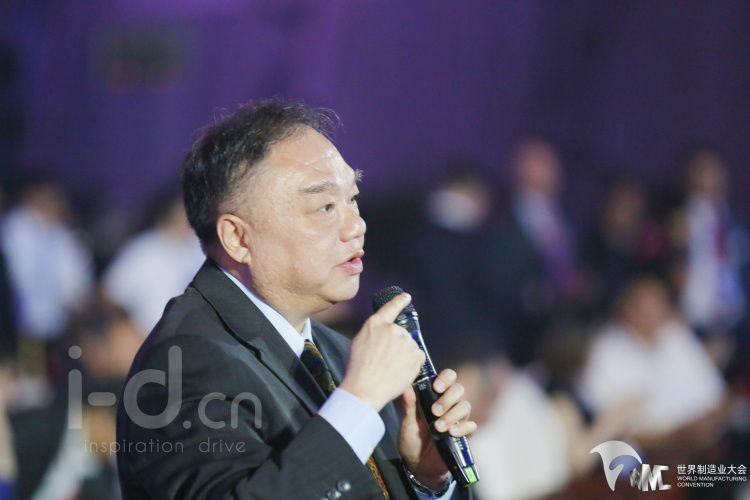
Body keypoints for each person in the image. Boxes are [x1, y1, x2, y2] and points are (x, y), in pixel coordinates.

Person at [116, 100, 477, 499]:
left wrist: (424, 479)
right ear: (238, 238)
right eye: (325, 206)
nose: (356, 225)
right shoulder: (184, 361)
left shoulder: (336, 351)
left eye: (352, 199)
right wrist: (359, 399)